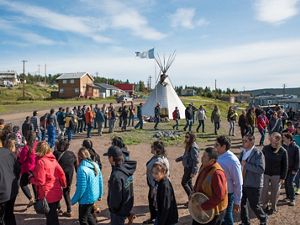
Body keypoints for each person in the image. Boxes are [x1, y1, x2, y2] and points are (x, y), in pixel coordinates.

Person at [30, 141, 67, 225]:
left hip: (47, 194)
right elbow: (62, 174)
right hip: (56, 192)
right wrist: (64, 185)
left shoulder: (41, 162)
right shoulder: (53, 160)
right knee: (53, 216)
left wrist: (31, 179)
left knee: (50, 217)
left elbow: (41, 181)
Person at [193, 147, 228, 225]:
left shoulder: (217, 173)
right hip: (202, 207)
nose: (201, 158)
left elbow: (220, 196)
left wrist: (203, 206)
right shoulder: (204, 166)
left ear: (212, 160)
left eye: (205, 156)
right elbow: (199, 182)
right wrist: (194, 192)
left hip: (214, 212)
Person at [239, 134, 268, 225]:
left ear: (252, 142)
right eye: (243, 140)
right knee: (242, 203)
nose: (243, 142)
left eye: (245, 141)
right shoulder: (243, 152)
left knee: (254, 205)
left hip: (254, 184)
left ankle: (263, 218)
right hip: (242, 183)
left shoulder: (258, 153)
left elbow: (261, 169)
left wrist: (246, 165)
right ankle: (245, 222)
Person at [71, 147, 104, 225]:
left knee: (83, 220)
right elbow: (100, 181)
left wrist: (73, 201)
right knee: (88, 215)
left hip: (85, 199)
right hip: (93, 196)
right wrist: (100, 194)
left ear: (79, 157)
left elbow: (81, 189)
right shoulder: (95, 165)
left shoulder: (82, 169)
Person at [215, 136, 243, 225]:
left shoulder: (232, 160)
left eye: (217, 145)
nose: (215, 146)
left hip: (227, 194)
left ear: (223, 147)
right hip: (217, 192)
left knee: (227, 216)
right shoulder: (217, 155)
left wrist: (237, 201)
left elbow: (238, 182)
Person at [106, 146, 137, 225]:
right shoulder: (126, 169)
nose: (108, 159)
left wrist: (113, 209)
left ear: (112, 158)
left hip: (118, 211)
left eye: (108, 157)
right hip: (126, 205)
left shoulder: (116, 176)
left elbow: (116, 198)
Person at [143, 141, 170, 225]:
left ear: (156, 149)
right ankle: (154, 218)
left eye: (152, 147)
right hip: (154, 185)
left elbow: (162, 175)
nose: (151, 148)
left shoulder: (160, 160)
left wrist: (155, 187)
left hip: (156, 186)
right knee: (152, 202)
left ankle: (156, 220)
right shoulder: (156, 157)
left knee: (156, 203)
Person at [261, 132, 288, 214]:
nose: (270, 138)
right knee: (264, 190)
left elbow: (285, 165)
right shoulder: (265, 148)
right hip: (265, 173)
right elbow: (261, 161)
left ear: (277, 139)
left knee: (275, 191)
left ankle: (273, 206)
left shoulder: (283, 151)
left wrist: (283, 177)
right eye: (271, 136)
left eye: (272, 137)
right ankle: (264, 205)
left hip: (277, 175)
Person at [0, 132, 20, 225]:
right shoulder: (9, 152)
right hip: (12, 190)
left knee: (2, 218)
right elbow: (18, 171)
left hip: (3, 193)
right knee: (10, 214)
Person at [54, 139, 77, 217]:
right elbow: (77, 167)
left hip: (58, 176)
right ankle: (69, 210)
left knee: (56, 191)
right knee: (66, 192)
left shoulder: (55, 153)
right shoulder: (72, 154)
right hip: (69, 176)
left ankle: (58, 208)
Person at [175, 132, 199, 202]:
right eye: (185, 136)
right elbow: (186, 156)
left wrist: (193, 172)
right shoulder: (189, 145)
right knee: (189, 183)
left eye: (187, 137)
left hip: (190, 168)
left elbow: (196, 161)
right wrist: (179, 159)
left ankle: (192, 199)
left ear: (192, 138)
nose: (185, 138)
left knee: (184, 183)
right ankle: (195, 198)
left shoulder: (193, 147)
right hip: (187, 167)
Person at [18, 131, 38, 208]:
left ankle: (31, 198)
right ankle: (37, 199)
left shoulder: (26, 148)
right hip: (35, 168)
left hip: (27, 170)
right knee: (34, 184)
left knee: (23, 184)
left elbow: (21, 160)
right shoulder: (37, 145)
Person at [282, 132, 300, 206]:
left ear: (289, 139)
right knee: (286, 183)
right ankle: (288, 197)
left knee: (290, 183)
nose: (283, 139)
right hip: (286, 169)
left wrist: (295, 170)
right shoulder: (284, 146)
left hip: (293, 169)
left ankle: (292, 199)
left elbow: (298, 160)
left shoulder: (296, 147)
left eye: (284, 138)